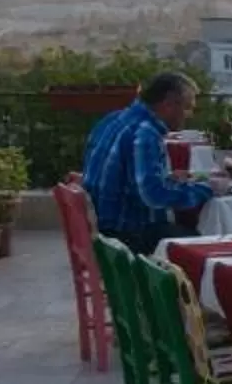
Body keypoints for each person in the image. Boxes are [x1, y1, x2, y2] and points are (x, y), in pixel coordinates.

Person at [80, 71, 216, 254]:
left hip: (105, 231)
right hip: (127, 235)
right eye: (187, 107)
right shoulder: (146, 132)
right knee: (208, 245)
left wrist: (168, 179)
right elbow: (154, 197)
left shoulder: (114, 118)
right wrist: (208, 189)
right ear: (169, 103)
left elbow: (130, 179)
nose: (189, 115)